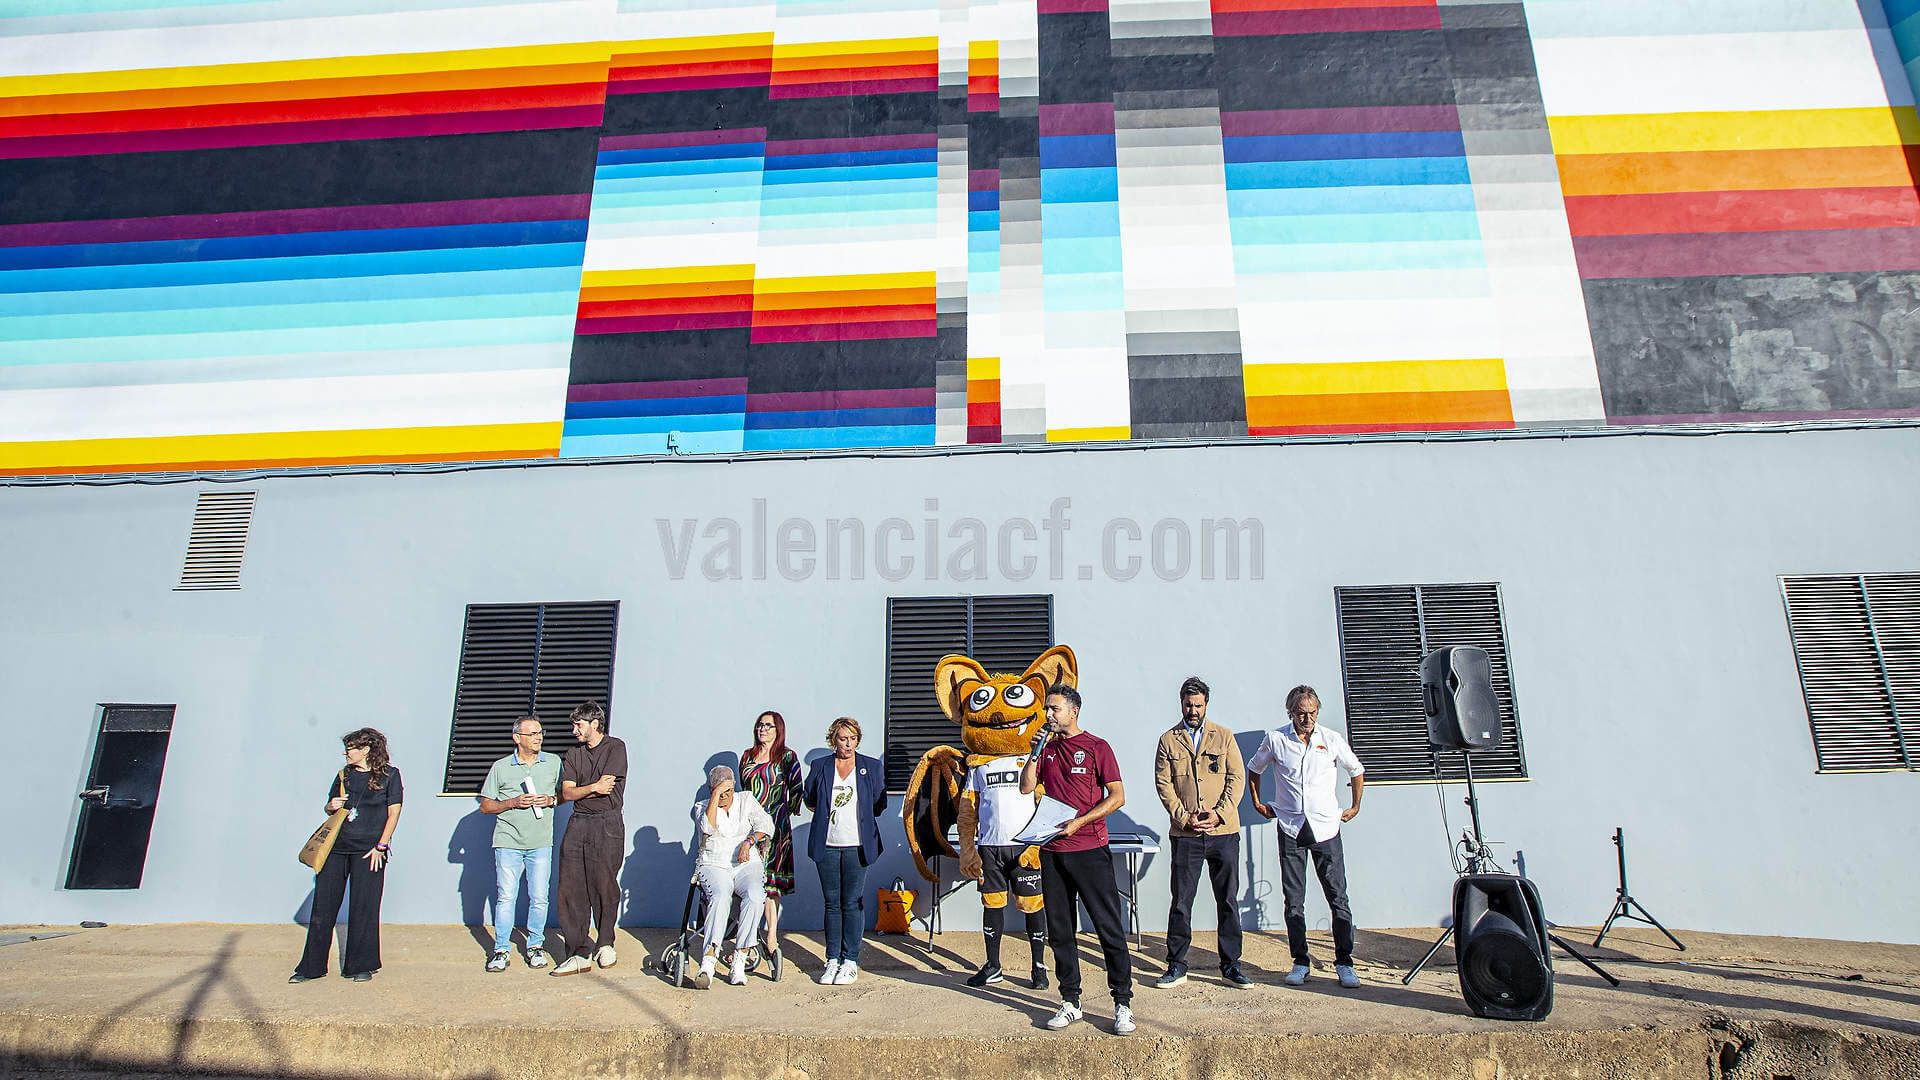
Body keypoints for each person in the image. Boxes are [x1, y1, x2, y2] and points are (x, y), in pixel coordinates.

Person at [1020, 686, 1134, 1035]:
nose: (1048, 715)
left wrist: (1081, 822)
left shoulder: (1097, 747)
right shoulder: (1046, 748)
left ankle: (1122, 1003)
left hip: (1088, 849)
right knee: (1061, 931)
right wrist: (1033, 754)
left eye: (1054, 709)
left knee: (1107, 928)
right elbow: (1026, 788)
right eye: (1047, 709)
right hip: (1053, 853)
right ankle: (1070, 1001)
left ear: (1074, 710)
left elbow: (1118, 797)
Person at [1248, 684, 1366, 989]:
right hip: (1291, 827)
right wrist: (1258, 803)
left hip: (1327, 828)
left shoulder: (1331, 739)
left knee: (1337, 896)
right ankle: (1300, 961)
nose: (1307, 718)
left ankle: (1344, 962)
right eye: (1301, 713)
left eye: (1312, 713)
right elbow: (1254, 769)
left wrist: (1354, 806)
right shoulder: (1276, 739)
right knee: (1294, 900)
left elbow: (1356, 770)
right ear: (1290, 712)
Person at [1151, 676, 1247, 988]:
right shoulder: (1168, 740)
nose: (1193, 710)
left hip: (1223, 833)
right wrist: (1183, 817)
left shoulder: (1225, 736)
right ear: (1181, 704)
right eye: (1189, 705)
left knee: (1228, 900)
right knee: (1181, 900)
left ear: (1206, 704)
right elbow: (1164, 784)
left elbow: (1237, 778)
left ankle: (1231, 964)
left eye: (1199, 705)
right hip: (1186, 835)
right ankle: (1177, 964)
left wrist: (1219, 814)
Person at [291, 728, 402, 984]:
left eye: (351, 748)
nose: (346, 753)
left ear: (366, 749)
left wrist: (381, 846)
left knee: (364, 908)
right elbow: (330, 807)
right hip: (336, 848)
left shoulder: (390, 775)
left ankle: (360, 966)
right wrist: (330, 806)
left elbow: (393, 813)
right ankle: (311, 967)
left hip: (370, 851)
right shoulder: (344, 775)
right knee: (323, 909)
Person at [802, 717, 887, 986]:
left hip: (857, 844)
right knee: (832, 903)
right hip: (827, 844)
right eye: (842, 738)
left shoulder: (871, 767)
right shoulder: (820, 766)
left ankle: (850, 960)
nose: (847, 744)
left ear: (858, 740)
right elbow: (810, 799)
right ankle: (832, 960)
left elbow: (879, 803)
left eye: (852, 738)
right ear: (833, 740)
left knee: (852, 902)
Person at [478, 715, 561, 971]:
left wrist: (552, 800)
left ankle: (535, 945)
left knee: (539, 898)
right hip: (508, 842)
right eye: (533, 734)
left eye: (540, 733)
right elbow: (485, 805)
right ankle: (501, 950)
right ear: (517, 738)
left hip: (540, 843)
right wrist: (512, 803)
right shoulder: (501, 767)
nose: (539, 738)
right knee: (506, 897)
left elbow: (564, 794)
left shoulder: (553, 763)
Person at [552, 700, 628, 976]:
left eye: (578, 724)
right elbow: (568, 793)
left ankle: (605, 942)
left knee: (604, 884)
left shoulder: (615, 747)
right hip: (578, 822)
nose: (574, 730)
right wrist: (593, 787)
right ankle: (578, 950)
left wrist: (588, 789)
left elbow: (607, 789)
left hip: (607, 824)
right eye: (574, 725)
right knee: (571, 887)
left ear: (594, 724)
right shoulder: (573, 754)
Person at [689, 764, 776, 987]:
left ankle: (740, 958)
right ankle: (708, 961)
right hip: (714, 864)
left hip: (745, 862)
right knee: (720, 896)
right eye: (719, 792)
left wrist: (749, 841)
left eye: (728, 792)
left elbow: (766, 824)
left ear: (734, 787)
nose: (724, 797)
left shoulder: (746, 799)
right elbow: (707, 828)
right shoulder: (702, 806)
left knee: (756, 895)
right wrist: (716, 795)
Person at [738, 710, 803, 979]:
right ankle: (747, 938)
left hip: (776, 827)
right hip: (750, 828)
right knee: (750, 882)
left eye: (768, 726)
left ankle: (772, 936)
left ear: (778, 730)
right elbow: (743, 791)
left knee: (770, 885)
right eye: (760, 725)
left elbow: (798, 788)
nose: (762, 729)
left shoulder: (786, 756)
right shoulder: (747, 756)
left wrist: (785, 813)